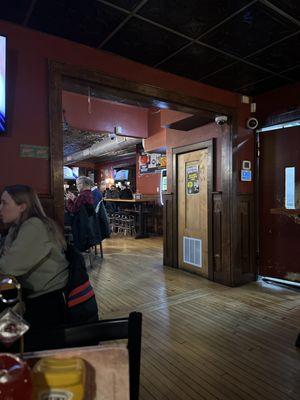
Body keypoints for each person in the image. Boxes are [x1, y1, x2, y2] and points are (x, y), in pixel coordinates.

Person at [0, 185, 69, 328]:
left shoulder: (34, 226)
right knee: (6, 332)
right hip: (30, 299)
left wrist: (9, 256)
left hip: (48, 305)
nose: (0, 208)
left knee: (9, 336)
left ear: (22, 207)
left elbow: (8, 267)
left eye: (4, 203)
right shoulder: (16, 227)